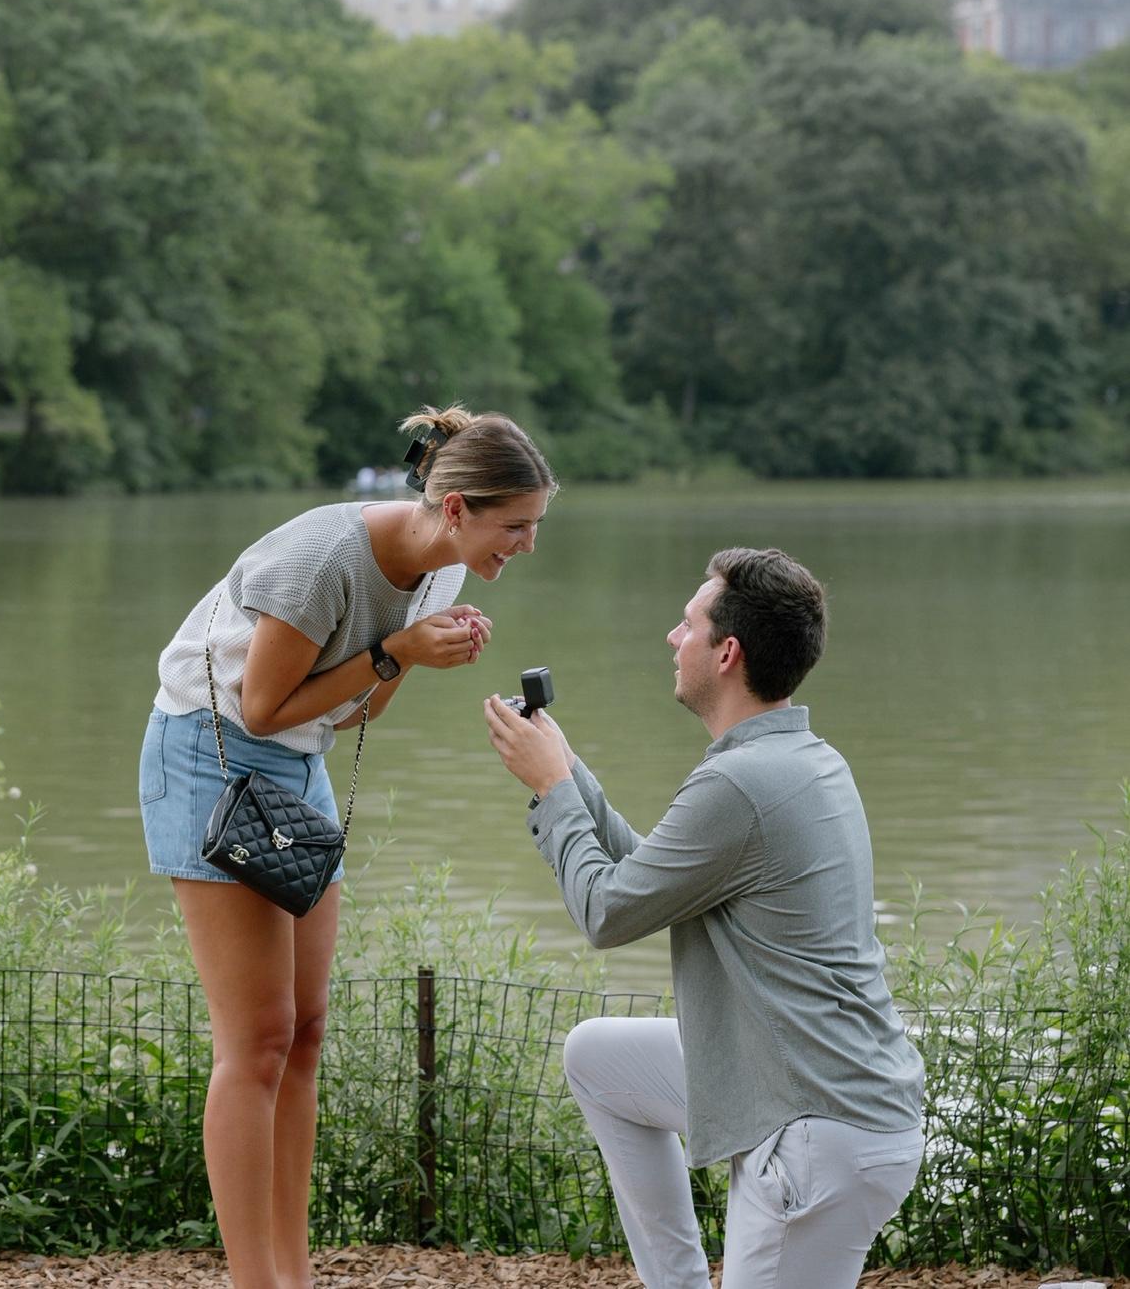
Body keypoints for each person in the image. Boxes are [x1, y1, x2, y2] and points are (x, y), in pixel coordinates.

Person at [141, 405, 557, 1289]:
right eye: (516, 526)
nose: (527, 544)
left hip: (299, 759)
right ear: (457, 509)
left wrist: (415, 657)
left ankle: (293, 1274)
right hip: (211, 752)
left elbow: (353, 712)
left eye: (534, 526)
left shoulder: (443, 570)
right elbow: (260, 708)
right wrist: (396, 650)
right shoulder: (324, 559)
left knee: (304, 1031)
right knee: (256, 1040)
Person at [483, 547, 925, 1289]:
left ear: (727, 653)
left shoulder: (740, 783)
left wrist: (555, 791)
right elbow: (648, 879)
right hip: (807, 1088)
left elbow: (606, 912)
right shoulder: (803, 759)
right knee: (598, 1059)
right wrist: (567, 772)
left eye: (687, 624)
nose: (672, 636)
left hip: (819, 1130)